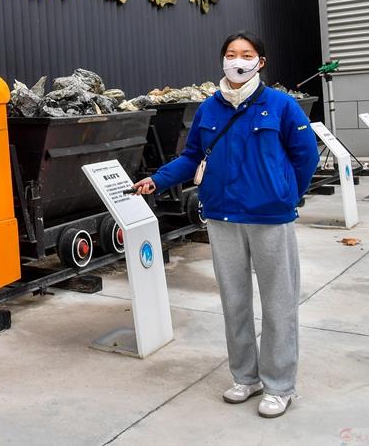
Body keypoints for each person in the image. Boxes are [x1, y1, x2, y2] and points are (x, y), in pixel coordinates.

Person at [132, 31, 319, 418]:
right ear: (222, 60)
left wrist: (285, 195)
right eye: (231, 54)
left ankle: (279, 385)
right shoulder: (209, 108)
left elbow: (306, 157)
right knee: (234, 302)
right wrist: (158, 179)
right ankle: (245, 377)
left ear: (260, 61)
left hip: (270, 218)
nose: (238, 60)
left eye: (246, 54)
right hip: (222, 216)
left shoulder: (281, 105)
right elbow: (193, 156)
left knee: (279, 304)